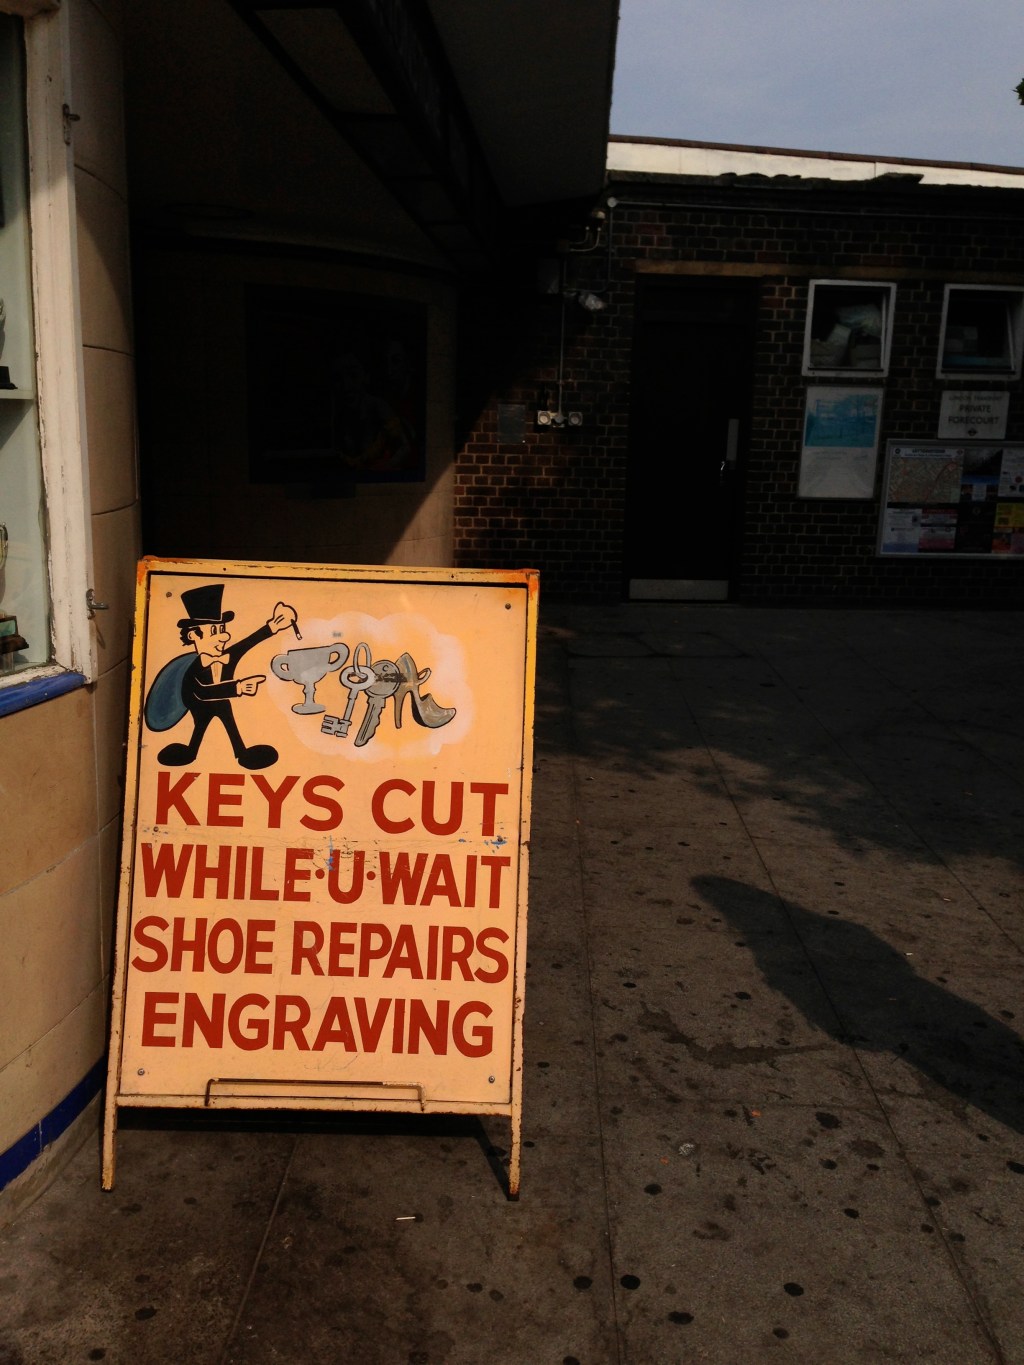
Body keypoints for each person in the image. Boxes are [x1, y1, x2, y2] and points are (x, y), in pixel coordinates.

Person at [152, 583, 296, 770]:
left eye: (222, 629)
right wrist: (238, 687)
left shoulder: (227, 655)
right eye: (214, 631)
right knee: (201, 723)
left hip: (221, 702)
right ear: (194, 635)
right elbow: (201, 692)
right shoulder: (193, 666)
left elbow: (247, 643)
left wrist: (273, 626)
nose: (225, 637)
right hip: (198, 703)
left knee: (226, 716)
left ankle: (241, 752)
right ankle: (191, 751)